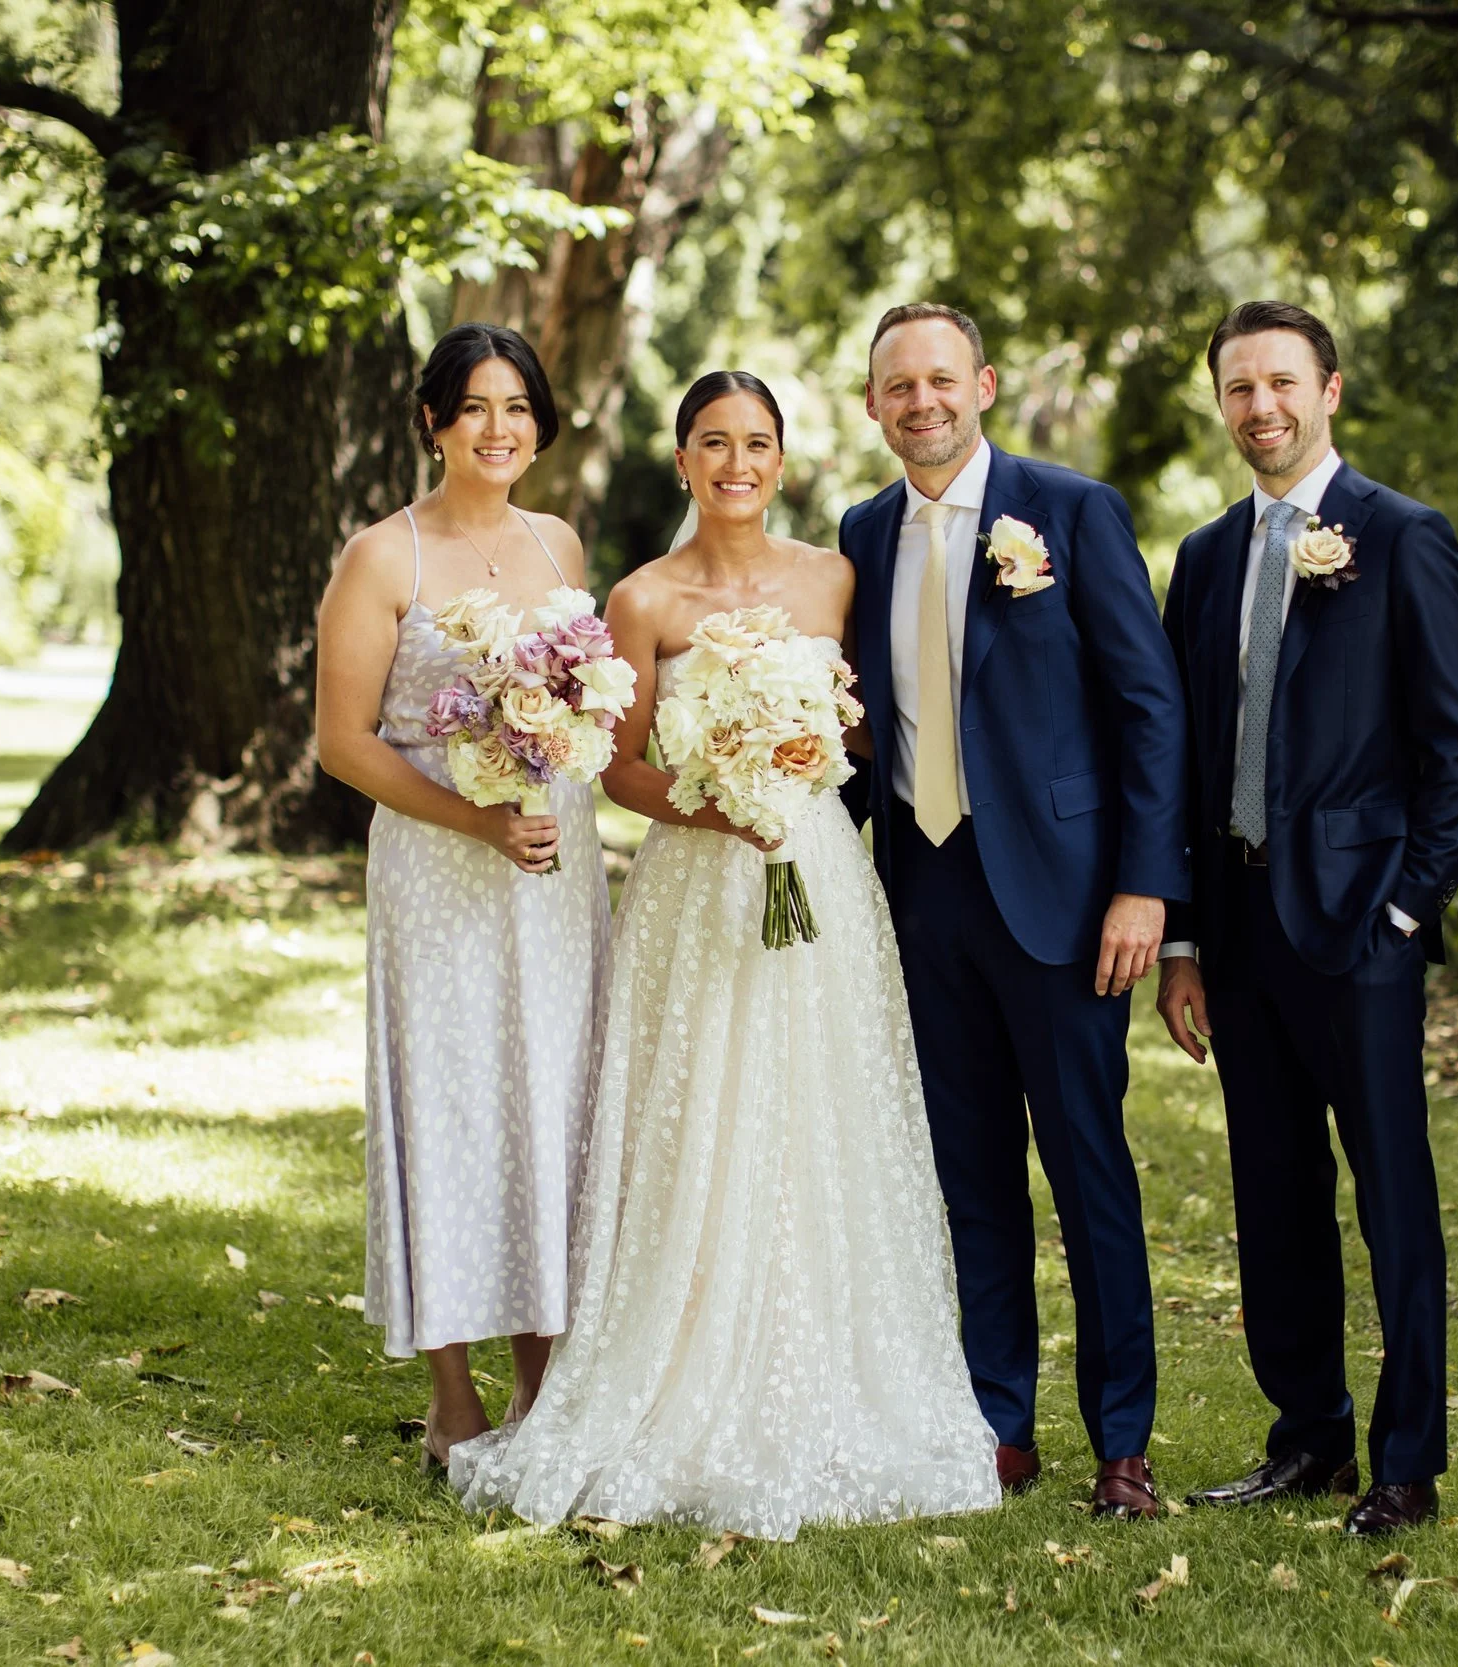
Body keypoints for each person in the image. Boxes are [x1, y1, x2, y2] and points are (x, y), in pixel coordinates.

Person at [446, 371, 1000, 1539]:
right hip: (698, 881)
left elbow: (855, 727)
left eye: (756, 443)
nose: (735, 462)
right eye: (713, 442)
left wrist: (791, 761)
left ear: (781, 460)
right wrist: (713, 797)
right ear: (685, 457)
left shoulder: (833, 575)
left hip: (818, 877)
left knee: (816, 1108)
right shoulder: (642, 596)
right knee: (701, 1108)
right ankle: (678, 1353)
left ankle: (830, 1363)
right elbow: (618, 759)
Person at [840, 304, 1188, 1519]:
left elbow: (1150, 709)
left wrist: (1147, 885)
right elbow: (856, 724)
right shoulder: (862, 533)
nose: (921, 401)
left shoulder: (1072, 510)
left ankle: (1123, 1441)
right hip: (923, 895)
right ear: (873, 404)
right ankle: (996, 1422)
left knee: (1089, 1171)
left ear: (982, 382)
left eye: (941, 378)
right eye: (898, 385)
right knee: (968, 1175)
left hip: (1066, 899)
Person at [1155, 300, 1458, 1537]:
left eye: (1282, 383)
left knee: (1389, 1192)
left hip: (1360, 929)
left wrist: (1405, 910)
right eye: (1240, 387)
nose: (1262, 408)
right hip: (1237, 930)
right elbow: (1186, 763)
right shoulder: (1201, 558)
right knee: (1272, 1191)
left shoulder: (1401, 538)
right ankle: (1308, 1436)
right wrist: (1184, 936)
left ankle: (1408, 1459)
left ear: (1329, 390)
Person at [314, 322, 611, 1472]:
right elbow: (343, 742)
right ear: (434, 421)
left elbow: (583, 702)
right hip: (441, 864)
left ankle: (546, 1375)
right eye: (476, 407)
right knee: (448, 1100)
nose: (500, 429)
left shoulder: (559, 542)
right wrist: (477, 816)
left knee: (550, 1099)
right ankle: (453, 1395)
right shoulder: (383, 558)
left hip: (551, 864)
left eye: (519, 408)